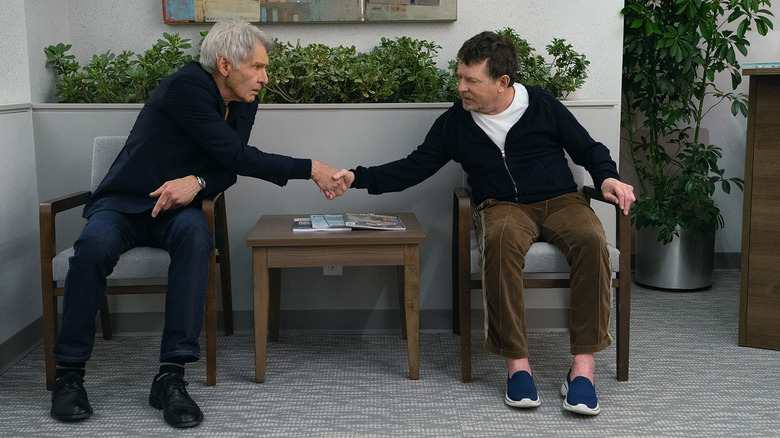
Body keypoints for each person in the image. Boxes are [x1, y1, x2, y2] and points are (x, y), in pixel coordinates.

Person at [49, 22, 347, 428]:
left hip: (178, 212)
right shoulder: (185, 87)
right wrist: (311, 167)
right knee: (92, 248)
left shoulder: (243, 99)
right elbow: (236, 156)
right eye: (258, 67)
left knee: (197, 240)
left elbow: (228, 165)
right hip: (125, 203)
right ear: (225, 64)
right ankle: (69, 376)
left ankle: (170, 377)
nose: (265, 77)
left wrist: (199, 181)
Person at [333, 31, 634, 416]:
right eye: (460, 77)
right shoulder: (455, 123)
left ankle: (582, 370)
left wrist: (606, 176)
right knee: (502, 241)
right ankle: (518, 367)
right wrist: (356, 177)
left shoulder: (541, 104)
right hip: (501, 206)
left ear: (502, 82)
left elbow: (588, 148)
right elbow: (413, 167)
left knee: (592, 240)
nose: (461, 88)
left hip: (561, 200)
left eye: (471, 80)